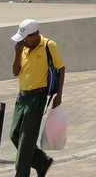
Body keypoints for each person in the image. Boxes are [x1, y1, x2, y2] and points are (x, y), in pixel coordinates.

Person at [10, 18, 65, 177]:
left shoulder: (48, 45)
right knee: (14, 135)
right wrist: (17, 52)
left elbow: (61, 68)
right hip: (22, 98)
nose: (23, 41)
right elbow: (15, 72)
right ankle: (42, 161)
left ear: (35, 35)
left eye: (25, 38)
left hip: (37, 98)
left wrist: (59, 95)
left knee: (26, 140)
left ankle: (21, 174)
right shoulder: (23, 48)